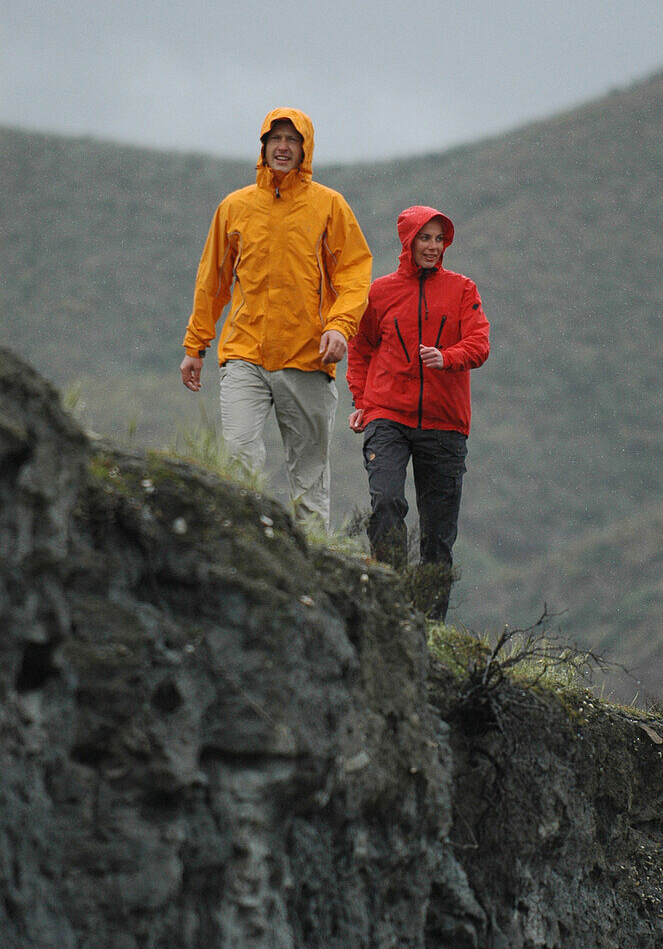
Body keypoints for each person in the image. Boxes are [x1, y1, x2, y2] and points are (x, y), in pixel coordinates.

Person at [181, 107, 372, 530]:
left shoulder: (329, 206)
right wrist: (196, 345)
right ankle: (246, 551)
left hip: (307, 358)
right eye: (275, 139)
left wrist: (340, 327)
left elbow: (355, 272)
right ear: (263, 147)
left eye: (292, 140)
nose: (283, 147)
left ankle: (311, 570)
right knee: (238, 457)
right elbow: (212, 280)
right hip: (244, 353)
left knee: (307, 477)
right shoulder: (235, 207)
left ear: (306, 149)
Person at [346, 205, 490, 620]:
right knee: (387, 503)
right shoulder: (381, 292)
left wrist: (447, 357)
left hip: (446, 424)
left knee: (438, 538)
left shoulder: (463, 290)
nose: (432, 246)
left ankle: (429, 628)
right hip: (387, 415)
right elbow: (361, 348)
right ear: (407, 241)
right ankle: (390, 609)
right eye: (424, 238)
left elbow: (480, 344)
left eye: (439, 238)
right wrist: (362, 401)